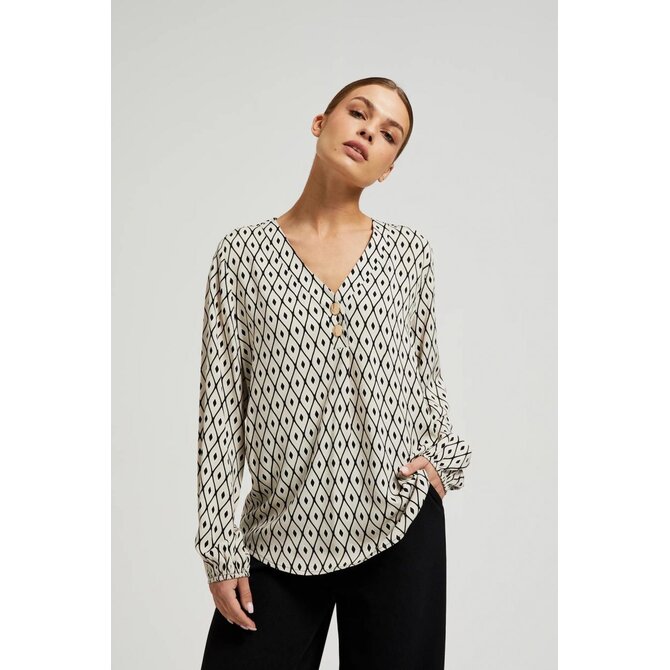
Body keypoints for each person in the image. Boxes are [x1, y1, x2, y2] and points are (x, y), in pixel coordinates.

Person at [195, 76, 472, 669]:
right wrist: (220, 545)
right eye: (359, 113)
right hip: (280, 535)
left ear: (388, 169)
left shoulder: (408, 254)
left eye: (389, 135)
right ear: (320, 122)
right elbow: (220, 410)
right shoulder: (240, 257)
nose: (369, 132)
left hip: (399, 525)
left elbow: (424, 372)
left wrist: (442, 460)